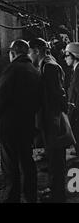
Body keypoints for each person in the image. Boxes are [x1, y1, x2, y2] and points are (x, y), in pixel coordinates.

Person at [0, 39, 41, 203]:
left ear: (13, 53)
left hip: (10, 125)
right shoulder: (34, 70)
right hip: (27, 124)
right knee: (27, 161)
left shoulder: (12, 69)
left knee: (11, 165)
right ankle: (30, 196)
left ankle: (12, 198)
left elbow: (0, 98)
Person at [29, 38, 68, 203]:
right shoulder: (47, 64)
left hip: (52, 120)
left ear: (37, 50)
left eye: (30, 52)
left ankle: (57, 194)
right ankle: (55, 189)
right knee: (53, 158)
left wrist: (53, 118)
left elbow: (57, 95)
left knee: (56, 159)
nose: (30, 55)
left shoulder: (49, 66)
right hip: (52, 118)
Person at [64, 42, 79, 156]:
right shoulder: (76, 70)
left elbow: (76, 92)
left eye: (67, 55)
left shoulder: (78, 71)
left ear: (74, 55)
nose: (65, 58)